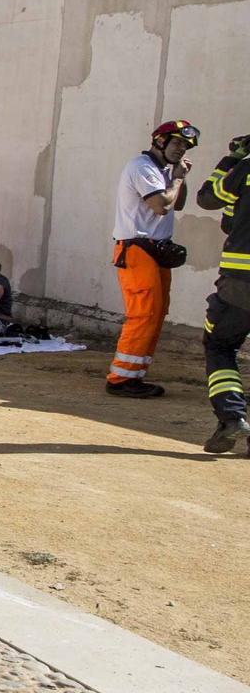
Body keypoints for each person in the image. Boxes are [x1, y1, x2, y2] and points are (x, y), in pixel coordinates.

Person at [107, 120, 200, 398]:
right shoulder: (142, 167)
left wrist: (178, 176)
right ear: (160, 141)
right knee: (143, 314)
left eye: (185, 146)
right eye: (177, 143)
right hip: (138, 249)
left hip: (155, 249)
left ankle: (134, 374)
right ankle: (120, 379)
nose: (181, 149)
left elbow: (177, 203)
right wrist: (179, 177)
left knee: (156, 313)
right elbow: (161, 205)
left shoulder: (160, 170)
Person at [197, 133, 250, 452]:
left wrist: (229, 161)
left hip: (241, 281)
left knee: (219, 344)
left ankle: (232, 418)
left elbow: (208, 199)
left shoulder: (244, 169)